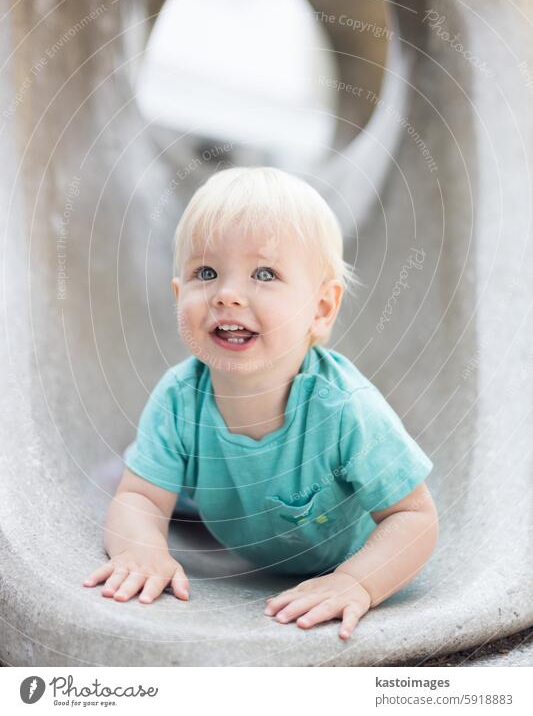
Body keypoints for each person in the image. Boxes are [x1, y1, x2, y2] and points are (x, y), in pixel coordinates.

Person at [83, 166, 438, 640]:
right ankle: (157, 475)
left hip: (331, 546)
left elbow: (413, 518)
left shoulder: (345, 410)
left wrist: (355, 582)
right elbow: (140, 500)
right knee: (138, 486)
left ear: (321, 309)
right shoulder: (180, 397)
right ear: (177, 296)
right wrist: (141, 548)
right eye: (205, 272)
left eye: (264, 273)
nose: (228, 294)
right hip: (233, 515)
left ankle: (172, 484)